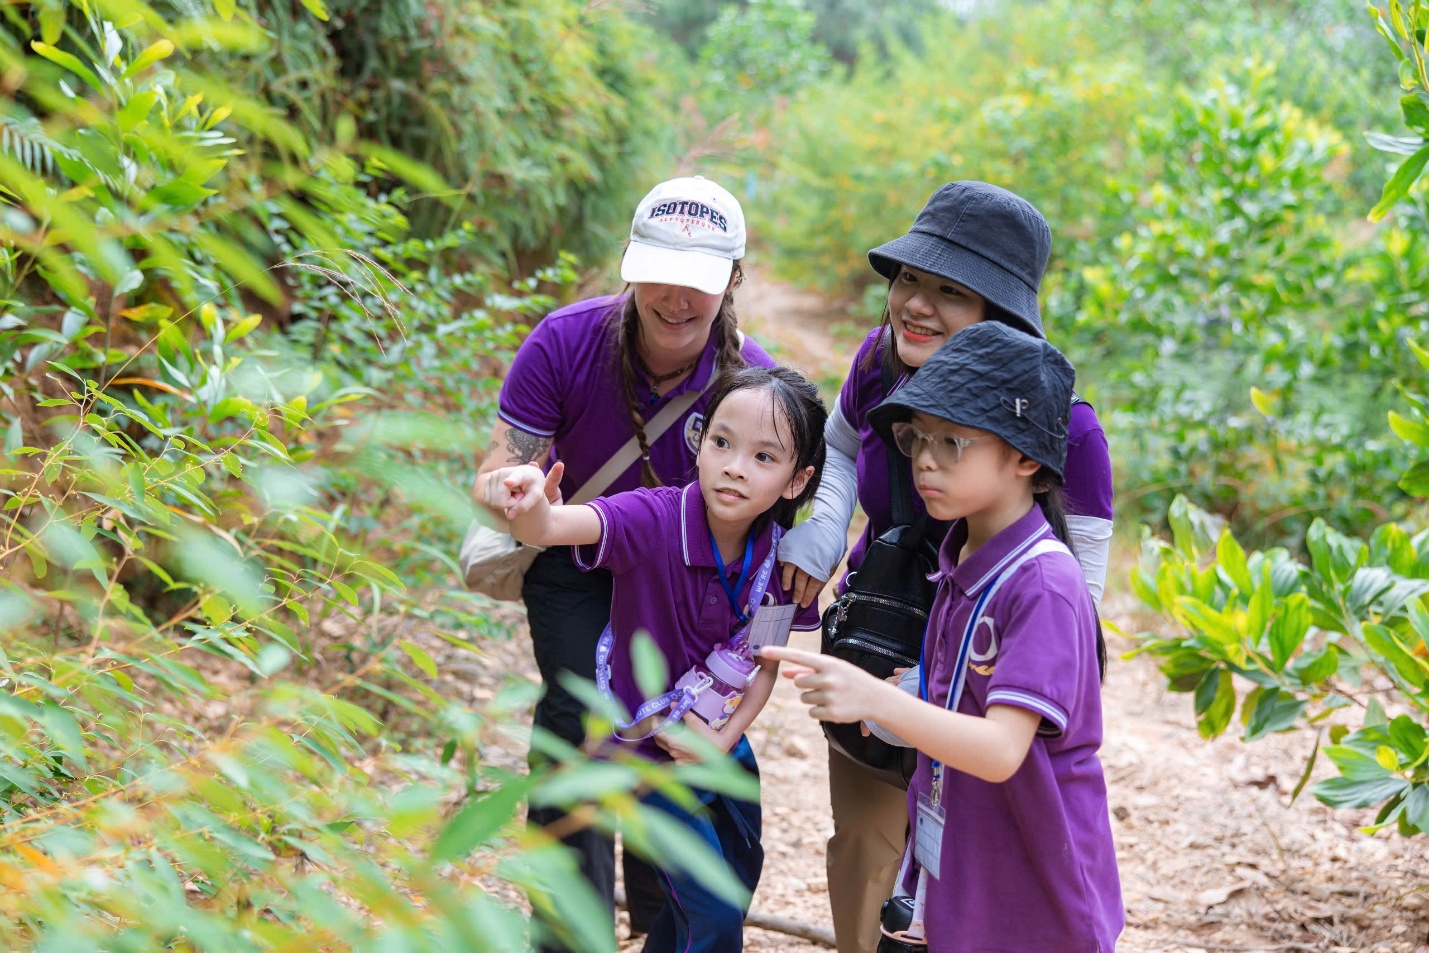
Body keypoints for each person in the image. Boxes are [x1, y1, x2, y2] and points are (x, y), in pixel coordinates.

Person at [774, 180, 1116, 953]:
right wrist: (823, 532)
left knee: (978, 872)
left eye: (949, 292)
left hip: (993, 678)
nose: (915, 306)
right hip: (881, 641)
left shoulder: (1065, 430)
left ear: (1000, 314)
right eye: (907, 280)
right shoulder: (876, 361)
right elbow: (835, 447)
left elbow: (1073, 595)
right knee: (867, 849)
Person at [469, 175, 776, 947]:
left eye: (699, 284)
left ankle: (660, 915)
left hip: (684, 589)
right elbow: (496, 468)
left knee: (665, 728)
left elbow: (795, 488)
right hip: (571, 565)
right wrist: (511, 491)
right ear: (629, 267)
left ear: (733, 281)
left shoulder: (750, 380)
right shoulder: (566, 341)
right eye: (659, 275)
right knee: (581, 717)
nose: (675, 299)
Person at [484, 365, 828, 953]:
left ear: (798, 481)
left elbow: (768, 658)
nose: (735, 467)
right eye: (721, 442)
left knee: (737, 880)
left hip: (720, 748)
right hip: (649, 756)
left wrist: (724, 740)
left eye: (764, 458)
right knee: (713, 915)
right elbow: (557, 526)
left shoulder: (780, 556)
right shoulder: (653, 518)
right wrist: (533, 506)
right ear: (700, 443)